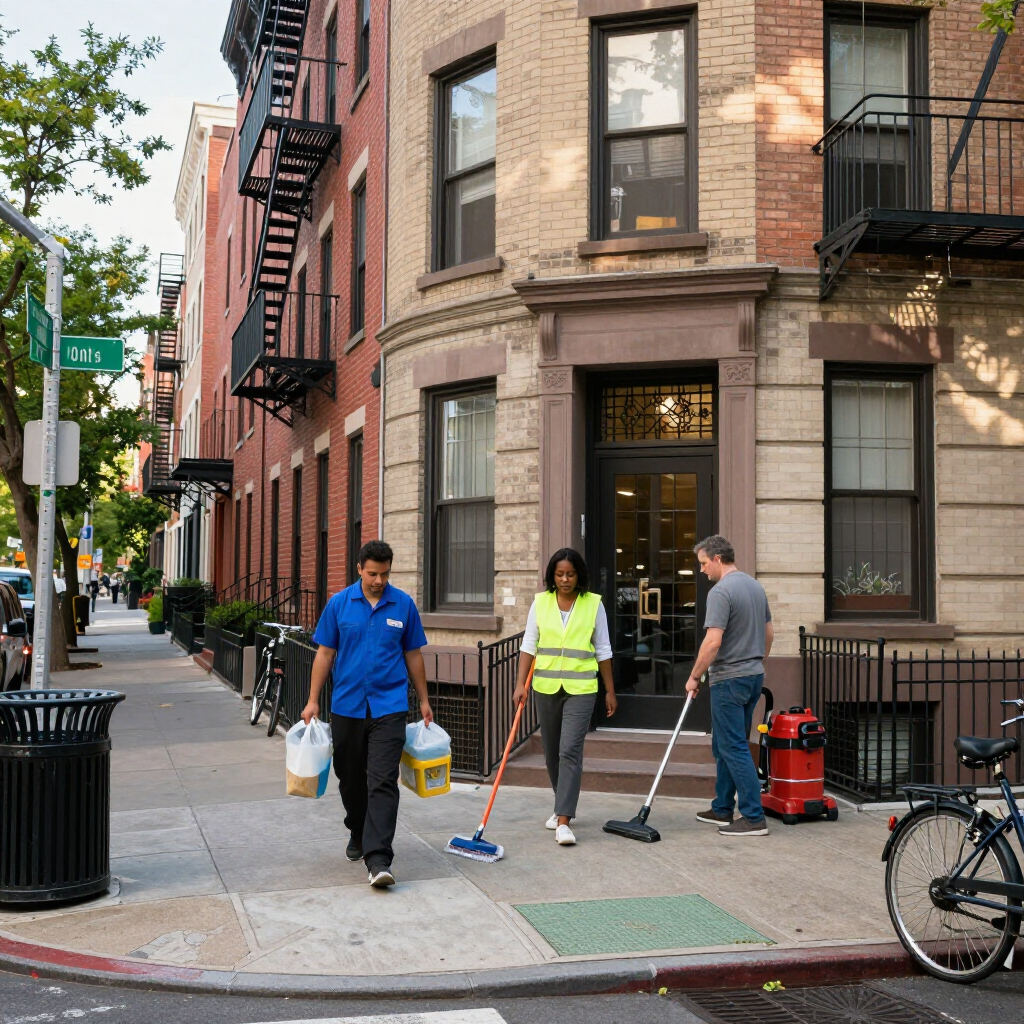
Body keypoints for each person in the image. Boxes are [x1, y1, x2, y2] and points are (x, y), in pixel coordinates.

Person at [301, 540, 432, 889]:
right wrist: (313, 700)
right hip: (347, 706)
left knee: (383, 781)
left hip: (389, 707)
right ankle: (357, 829)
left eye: (385, 573)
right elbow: (326, 653)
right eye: (373, 573)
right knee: (351, 779)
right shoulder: (339, 604)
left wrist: (423, 700)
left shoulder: (402, 604)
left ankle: (378, 859)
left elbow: (414, 655)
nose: (378, 580)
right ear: (359, 568)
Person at [512, 548, 617, 847]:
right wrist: (520, 684)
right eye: (559, 574)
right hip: (545, 687)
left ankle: (563, 820)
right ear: (552, 576)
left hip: (582, 689)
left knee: (570, 750)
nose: (565, 579)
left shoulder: (593, 605)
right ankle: (562, 803)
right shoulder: (540, 603)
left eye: (570, 574)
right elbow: (529, 645)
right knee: (551, 752)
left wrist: (610, 690)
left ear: (578, 575)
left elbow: (604, 650)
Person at [686, 535, 773, 837]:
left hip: (729, 679)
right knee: (726, 743)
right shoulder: (754, 586)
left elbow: (713, 641)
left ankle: (753, 816)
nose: (701, 571)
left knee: (733, 746)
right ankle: (722, 807)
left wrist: (694, 676)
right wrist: (757, 663)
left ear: (717, 559)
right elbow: (769, 633)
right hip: (752, 676)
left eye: (703, 563)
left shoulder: (720, 592)